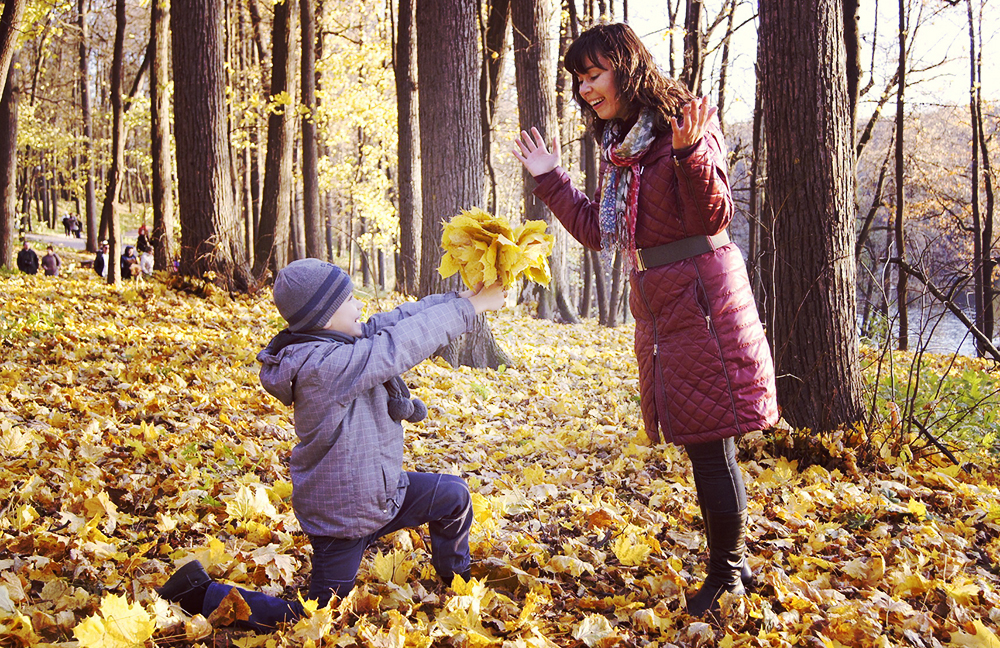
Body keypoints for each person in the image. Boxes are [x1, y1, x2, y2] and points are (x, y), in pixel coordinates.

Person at [512, 23, 778, 617]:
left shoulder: (682, 125)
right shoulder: (624, 145)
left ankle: (728, 577)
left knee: (711, 447)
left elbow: (713, 213)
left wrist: (689, 154)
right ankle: (731, 564)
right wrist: (550, 177)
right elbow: (600, 233)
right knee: (704, 445)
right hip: (663, 307)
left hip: (703, 302)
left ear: (626, 67)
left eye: (593, 74)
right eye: (578, 79)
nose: (584, 88)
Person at [155, 258, 506, 632]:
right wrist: (470, 310)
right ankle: (200, 593)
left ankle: (457, 580)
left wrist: (458, 297)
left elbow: (393, 323)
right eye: (350, 300)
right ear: (323, 316)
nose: (359, 308)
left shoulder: (335, 342)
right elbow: (398, 346)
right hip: (343, 517)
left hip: (380, 493)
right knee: (318, 617)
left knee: (453, 496)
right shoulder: (325, 367)